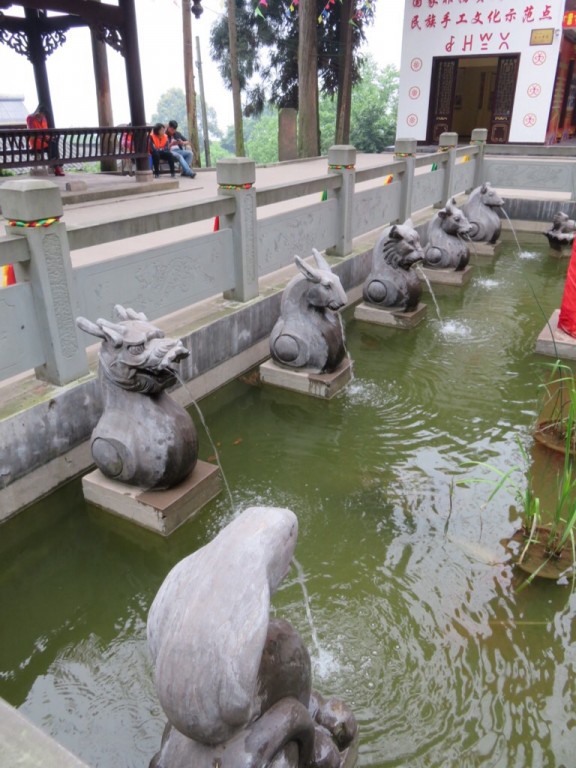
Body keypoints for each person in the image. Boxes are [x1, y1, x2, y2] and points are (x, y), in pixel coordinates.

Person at [26, 104, 64, 177]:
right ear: (37, 112)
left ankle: (55, 165)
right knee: (51, 145)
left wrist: (47, 137)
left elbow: (45, 130)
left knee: (53, 143)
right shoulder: (30, 118)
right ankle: (56, 166)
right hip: (34, 140)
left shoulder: (43, 119)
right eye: (41, 114)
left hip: (43, 139)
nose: (42, 116)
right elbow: (32, 131)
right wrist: (44, 136)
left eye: (43, 115)